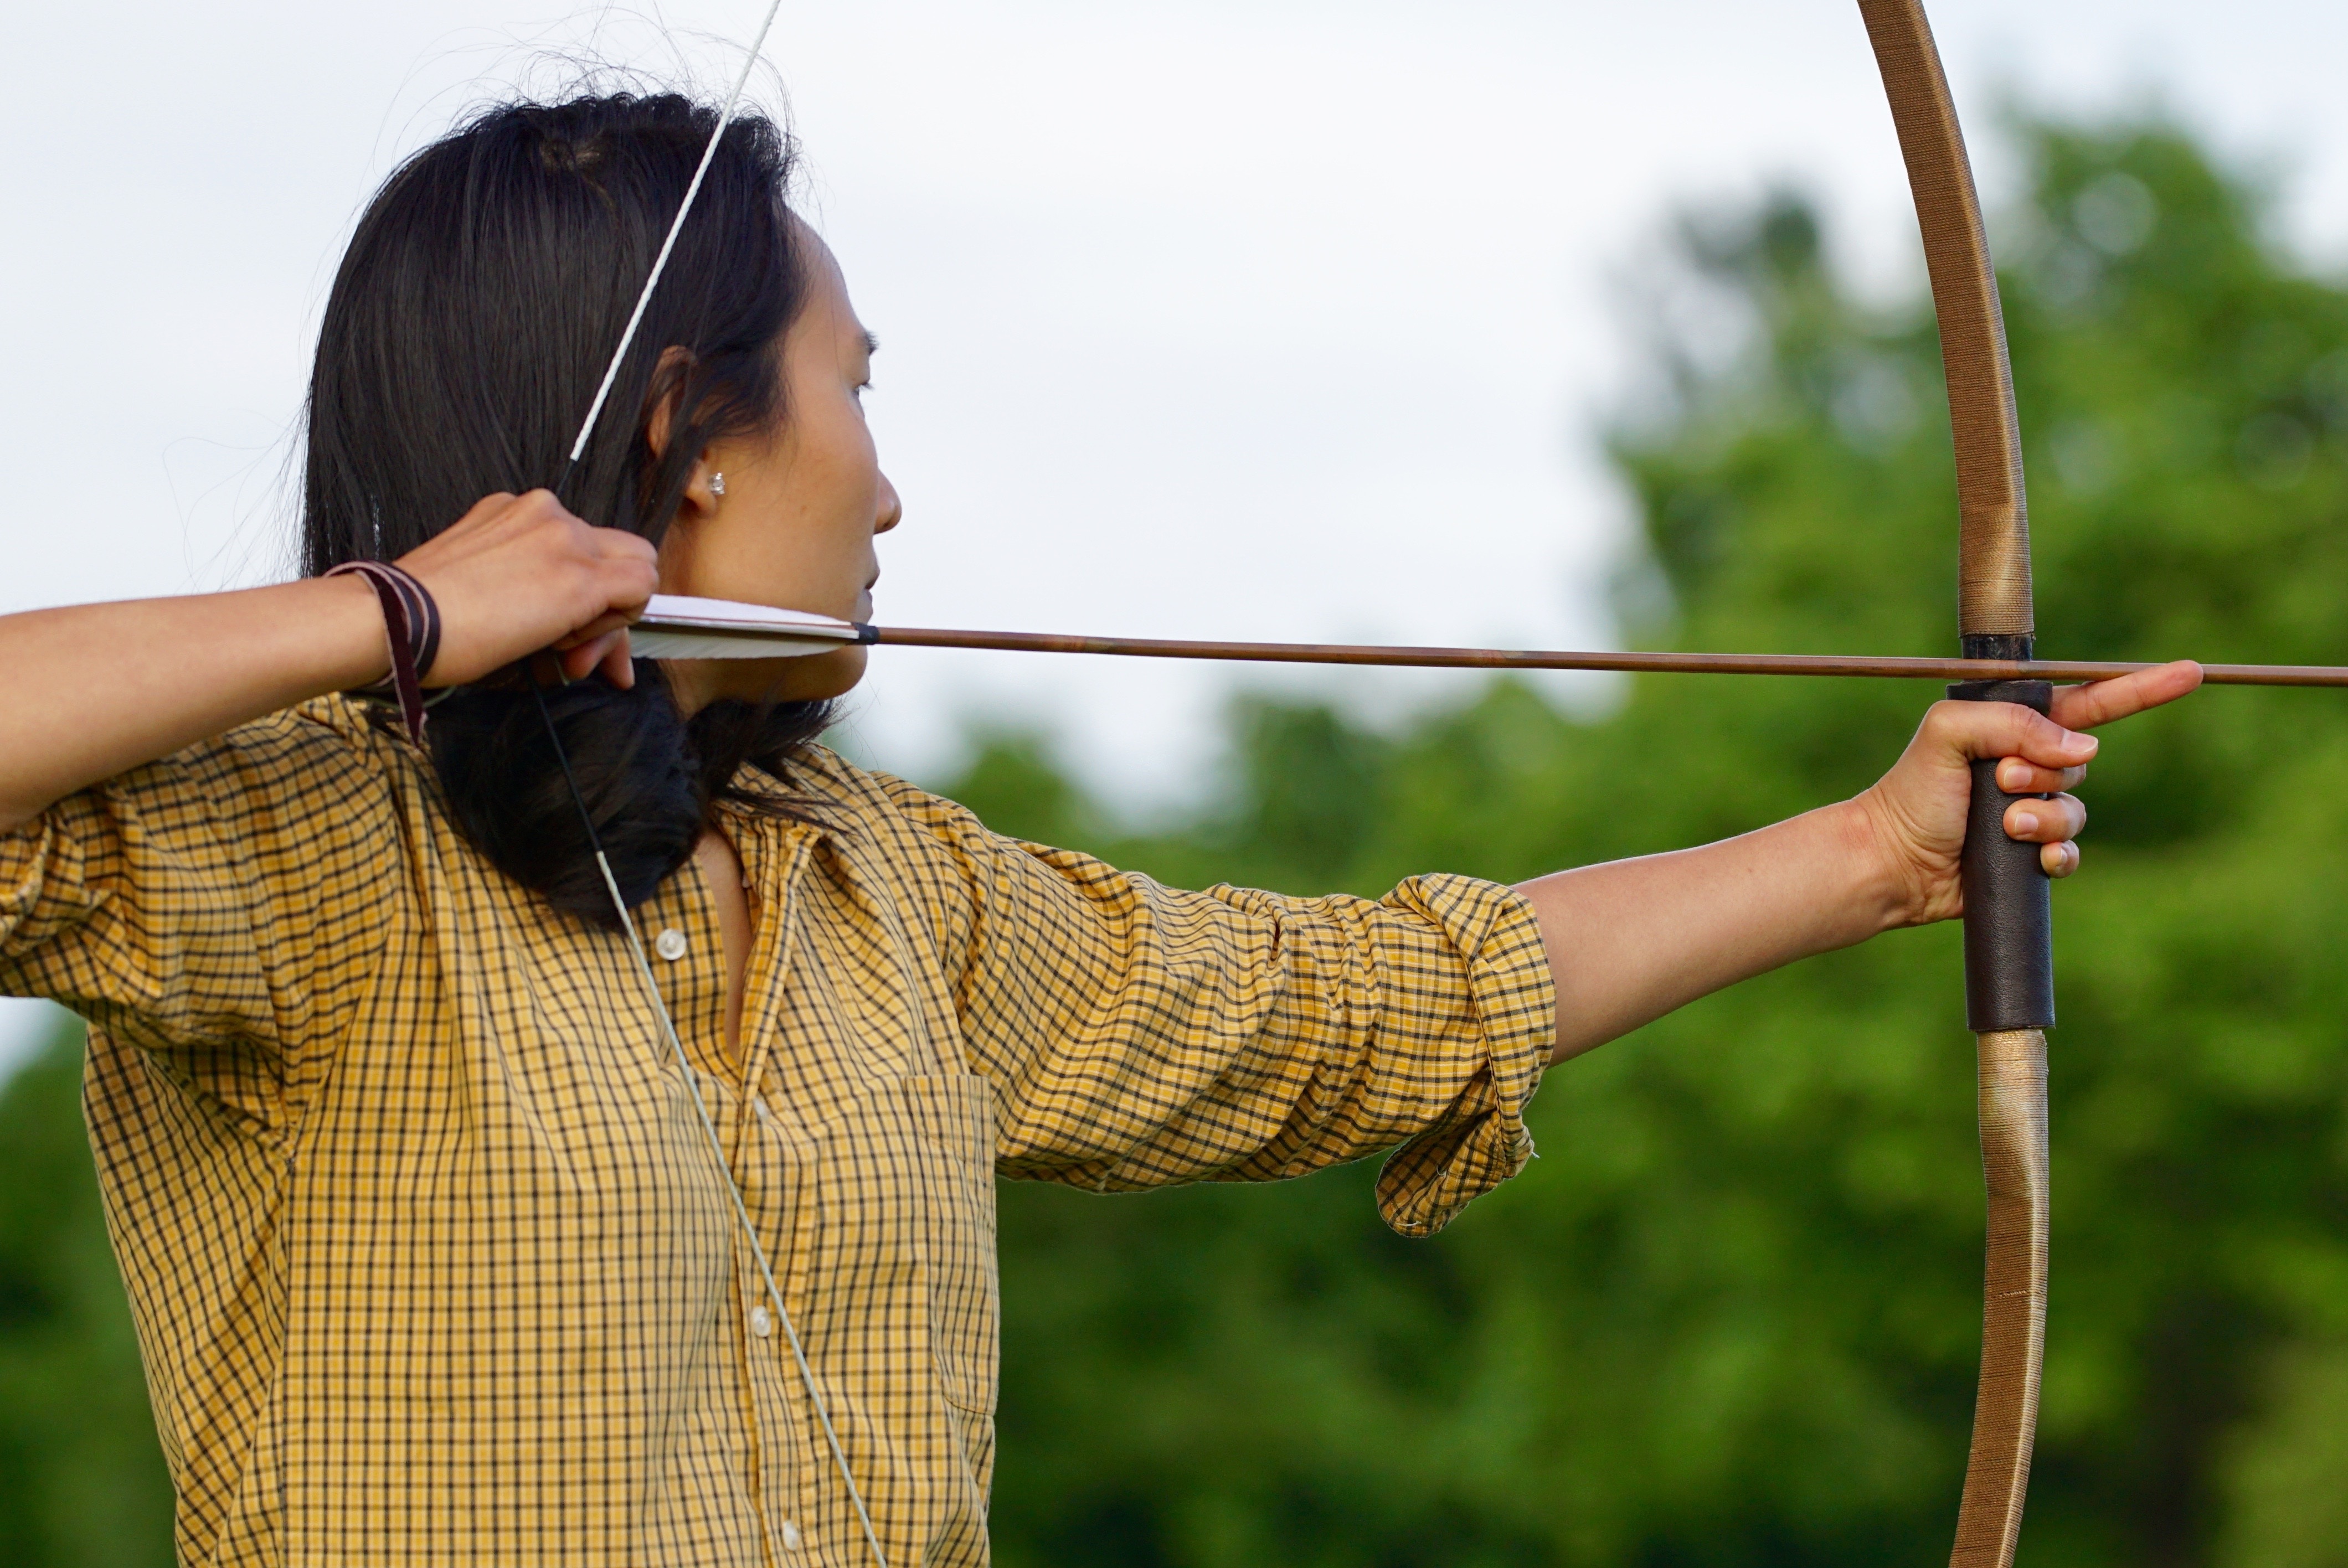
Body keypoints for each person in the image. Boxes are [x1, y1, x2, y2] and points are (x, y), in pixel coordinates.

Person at [0, 92, 2196, 1568]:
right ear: (680, 434)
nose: (886, 485)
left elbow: (1356, 1011)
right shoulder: (293, 851)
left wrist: (1880, 854)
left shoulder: (892, 894)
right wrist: (387, 616)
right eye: (855, 388)